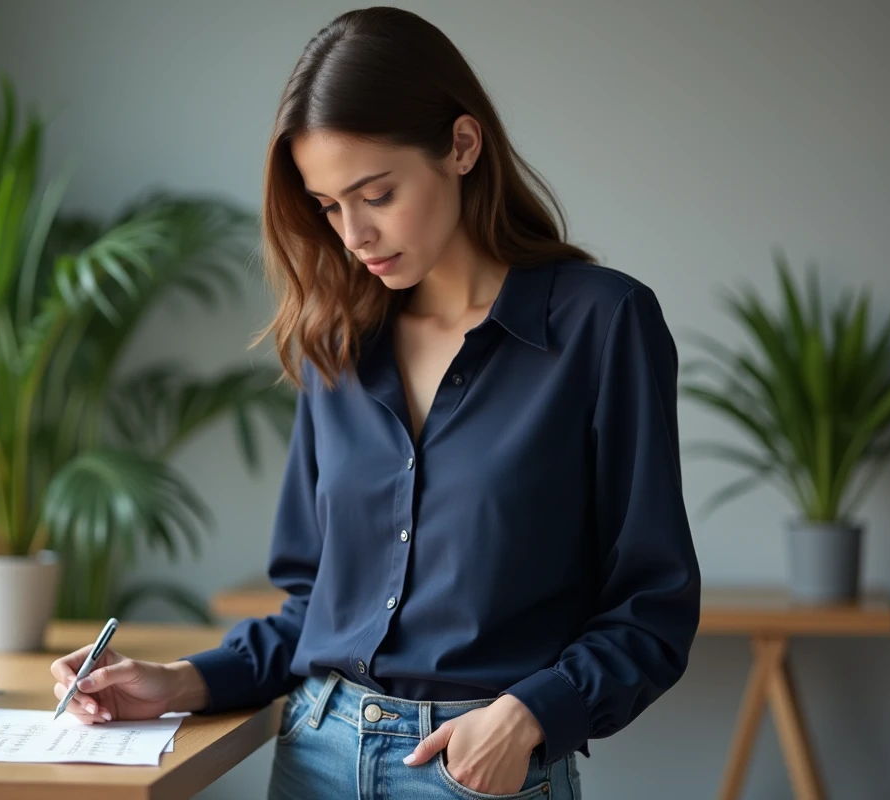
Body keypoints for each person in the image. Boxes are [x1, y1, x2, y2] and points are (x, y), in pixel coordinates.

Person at [49, 7, 701, 798]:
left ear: (462, 147)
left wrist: (529, 715)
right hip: (317, 750)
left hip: (476, 769)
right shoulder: (339, 345)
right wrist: (181, 680)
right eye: (327, 206)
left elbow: (652, 605)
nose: (352, 233)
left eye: (376, 193)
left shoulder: (603, 325)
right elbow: (315, 606)